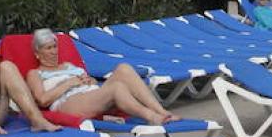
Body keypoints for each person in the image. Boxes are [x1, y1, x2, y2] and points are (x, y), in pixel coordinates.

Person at [24, 28, 177, 125]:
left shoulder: (68, 65)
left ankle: (161, 111)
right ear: (37, 53)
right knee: (117, 88)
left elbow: (93, 83)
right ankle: (151, 117)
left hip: (91, 95)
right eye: (48, 48)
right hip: (67, 104)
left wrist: (90, 81)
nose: (54, 51)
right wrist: (69, 83)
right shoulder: (35, 73)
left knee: (124, 68)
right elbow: (42, 100)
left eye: (55, 46)